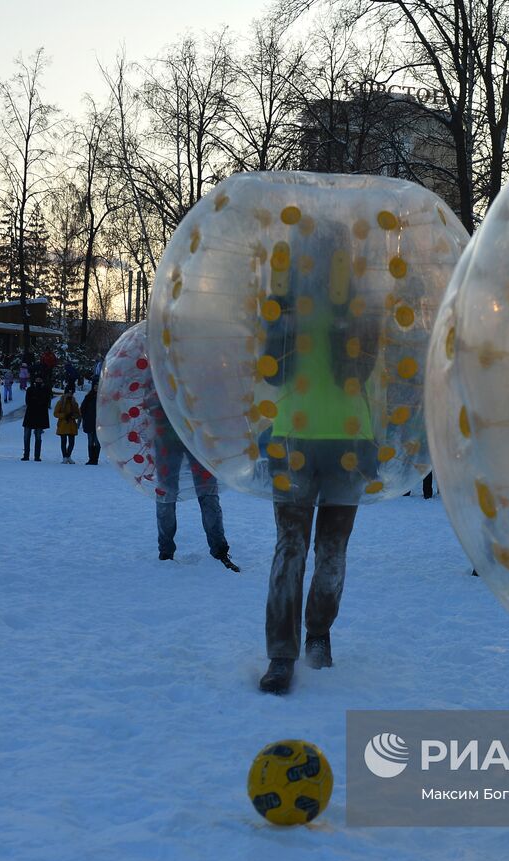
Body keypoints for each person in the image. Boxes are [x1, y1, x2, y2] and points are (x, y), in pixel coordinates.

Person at [257, 221, 378, 694]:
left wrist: (346, 318)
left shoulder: (363, 300)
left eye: (333, 250)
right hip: (293, 437)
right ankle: (281, 654)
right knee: (290, 547)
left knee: (332, 553)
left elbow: (359, 369)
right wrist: (281, 319)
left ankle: (319, 634)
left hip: (349, 440)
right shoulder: (283, 296)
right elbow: (272, 374)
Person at [144, 377, 238, 573]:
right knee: (166, 497)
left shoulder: (197, 360)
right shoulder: (157, 361)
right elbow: (149, 398)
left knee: (209, 496)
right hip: (167, 439)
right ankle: (166, 552)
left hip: (199, 439)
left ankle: (219, 550)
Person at [22, 374, 51, 461]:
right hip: (30, 414)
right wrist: (37, 401)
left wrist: (36, 401)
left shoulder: (45, 390)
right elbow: (27, 401)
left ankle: (37, 456)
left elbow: (46, 401)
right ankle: (26, 455)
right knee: (27, 435)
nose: (38, 380)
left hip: (40, 415)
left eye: (40, 379)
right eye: (37, 379)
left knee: (38, 436)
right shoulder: (30, 389)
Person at [54, 388, 80, 463]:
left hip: (72, 425)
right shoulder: (60, 402)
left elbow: (78, 414)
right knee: (63, 441)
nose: (69, 395)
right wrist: (64, 415)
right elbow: (55, 413)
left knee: (72, 442)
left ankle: (68, 456)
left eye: (71, 393)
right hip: (63, 425)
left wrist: (73, 416)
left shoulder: (74, 403)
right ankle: (64, 456)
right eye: (68, 393)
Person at [80, 380, 101, 465]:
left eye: (97, 385)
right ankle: (91, 459)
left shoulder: (102, 397)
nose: (96, 387)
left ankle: (95, 459)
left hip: (99, 423)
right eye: (95, 385)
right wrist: (85, 417)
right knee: (90, 441)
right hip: (89, 421)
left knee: (97, 441)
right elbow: (82, 408)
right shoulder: (88, 396)